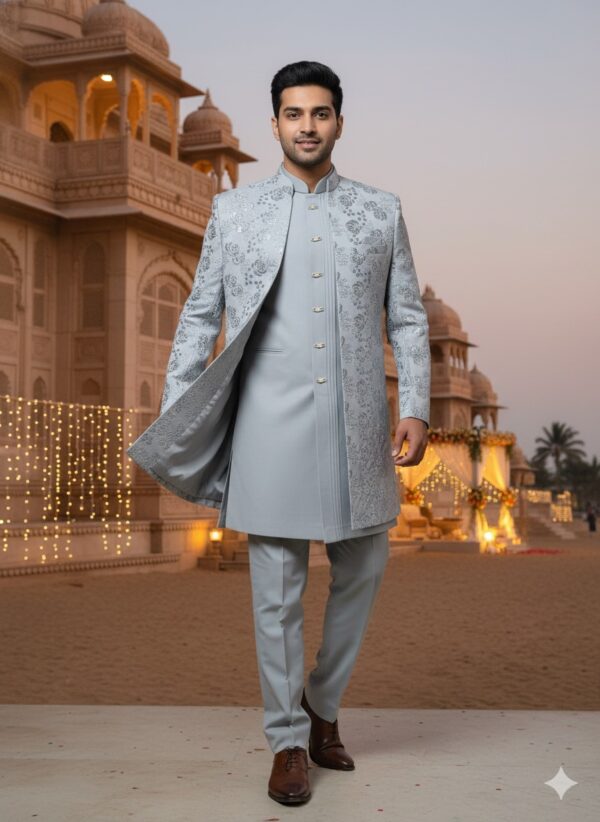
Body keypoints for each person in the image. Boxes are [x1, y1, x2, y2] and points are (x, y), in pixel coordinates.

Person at [127, 60, 430, 807]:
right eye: (294, 114)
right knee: (276, 590)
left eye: (320, 113)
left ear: (339, 122)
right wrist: (180, 404)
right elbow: (200, 313)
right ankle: (288, 741)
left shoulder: (380, 211)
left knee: (364, 568)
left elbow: (407, 317)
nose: (307, 126)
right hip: (267, 419)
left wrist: (417, 405)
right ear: (274, 125)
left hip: (357, 421)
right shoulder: (236, 212)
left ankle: (321, 702)